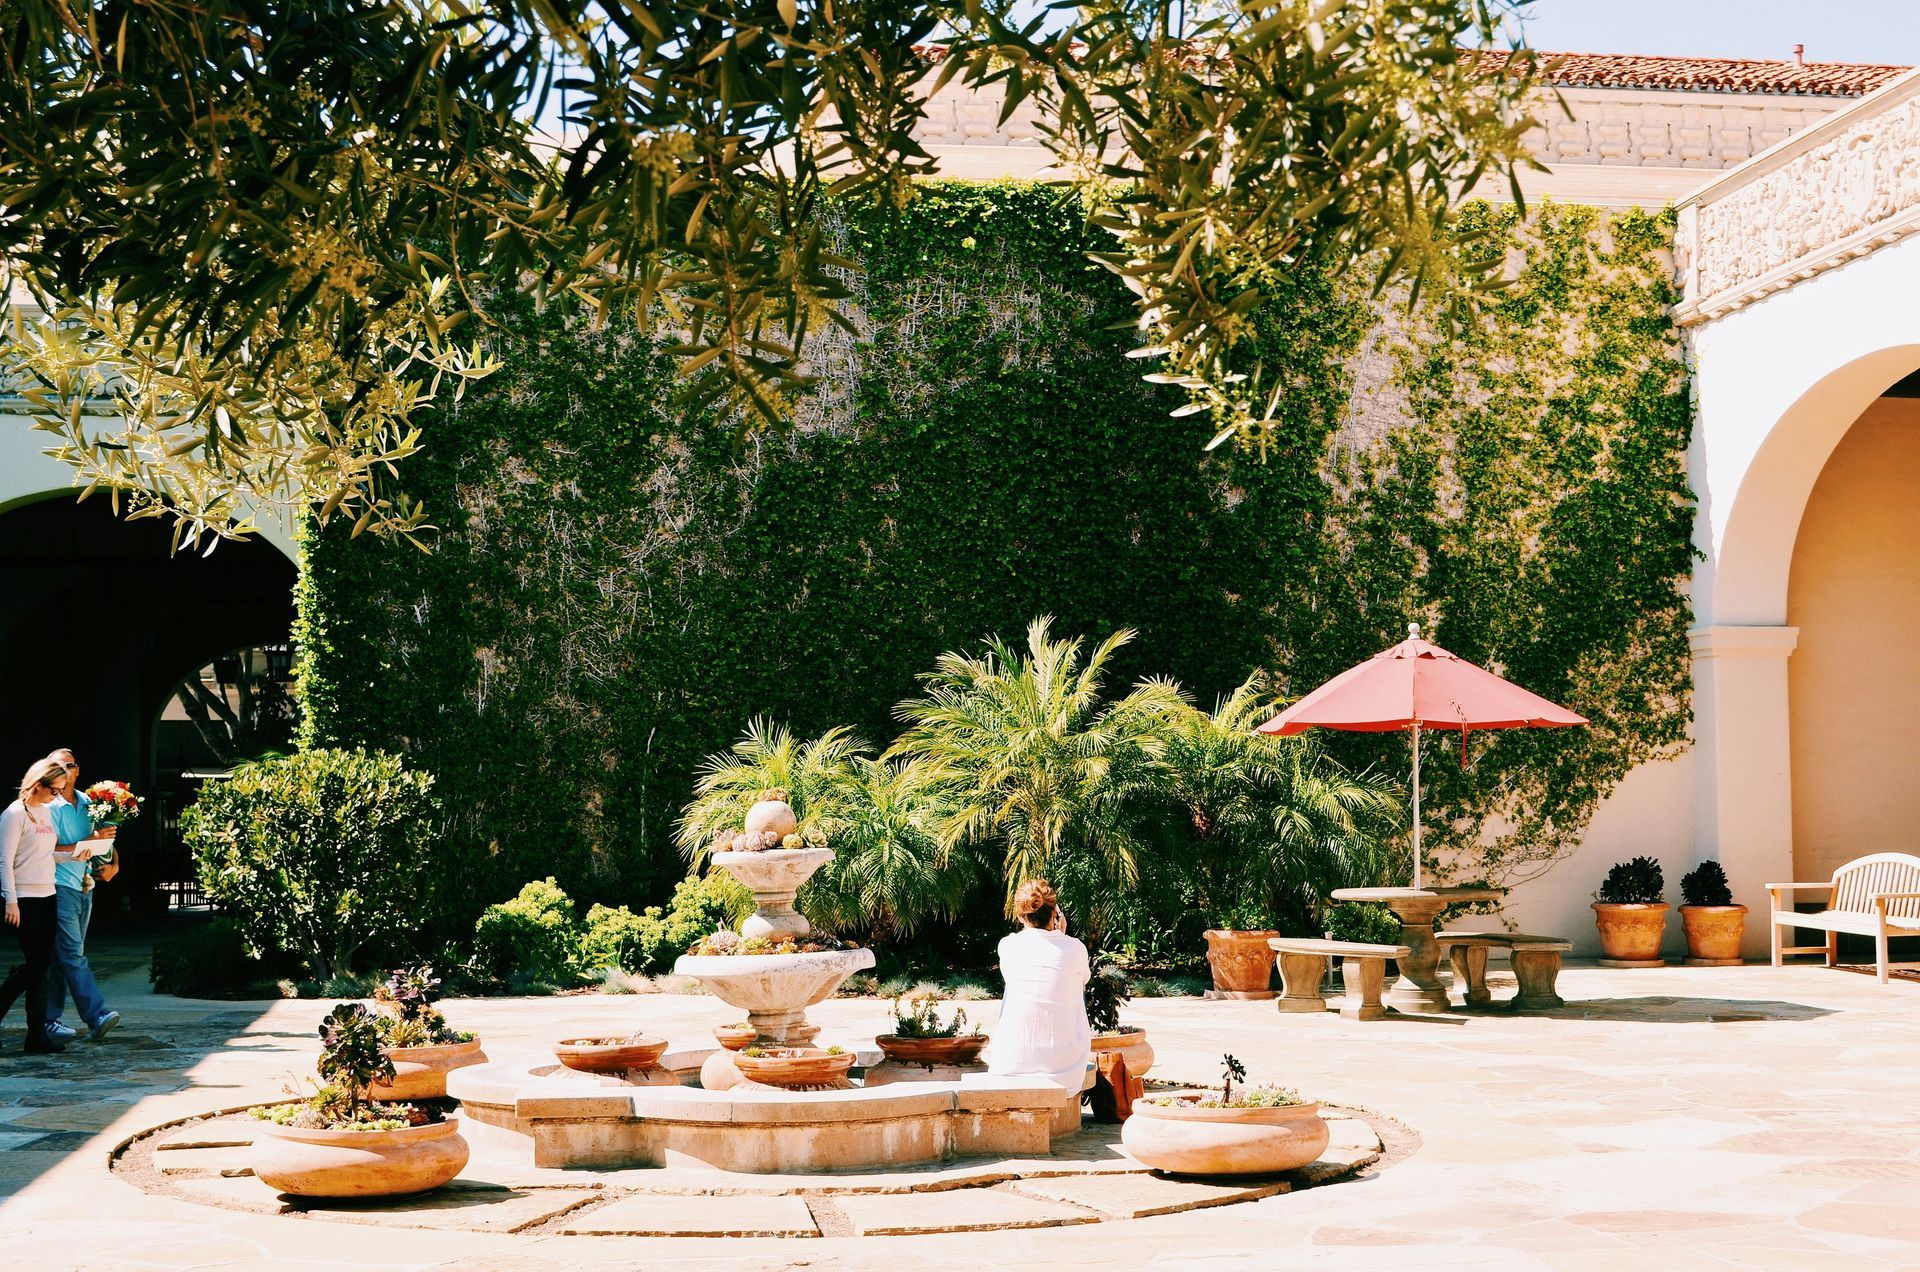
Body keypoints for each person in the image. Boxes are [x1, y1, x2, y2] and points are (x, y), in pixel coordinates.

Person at [2, 758, 104, 1053]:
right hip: (23, 898)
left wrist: (78, 853)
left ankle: (36, 1034)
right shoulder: (14, 814)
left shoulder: (45, 813)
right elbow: (4, 861)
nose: (57, 795)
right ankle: (35, 1032)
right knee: (37, 965)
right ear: (38, 784)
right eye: (54, 790)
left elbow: (49, 854)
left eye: (61, 790)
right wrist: (10, 900)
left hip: (48, 895)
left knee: (41, 965)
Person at [987, 878, 1092, 1092]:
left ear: (1019, 916)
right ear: (1055, 912)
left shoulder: (1008, 946)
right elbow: (1081, 981)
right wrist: (1061, 935)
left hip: (1009, 1068)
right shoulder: (1076, 948)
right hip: (1066, 1072)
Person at [45, 749, 119, 1043]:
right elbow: (46, 852)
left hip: (84, 887)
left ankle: (48, 1020)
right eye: (58, 766)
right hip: (58, 886)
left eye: (70, 764)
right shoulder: (49, 807)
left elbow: (104, 840)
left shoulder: (91, 803)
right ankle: (96, 1015)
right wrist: (83, 845)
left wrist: (113, 863)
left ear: (77, 770)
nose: (64, 770)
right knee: (73, 954)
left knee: (61, 957)